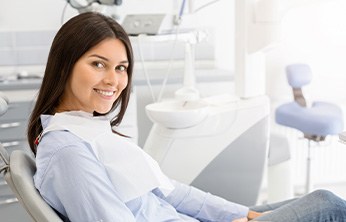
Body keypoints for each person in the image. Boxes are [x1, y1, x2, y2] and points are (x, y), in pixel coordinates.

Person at [27, 12, 346, 222]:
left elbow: (170, 192)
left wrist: (244, 214)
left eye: (121, 67)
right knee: (327, 205)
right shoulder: (68, 150)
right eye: (98, 64)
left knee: (306, 202)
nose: (113, 80)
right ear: (66, 62)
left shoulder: (86, 129)